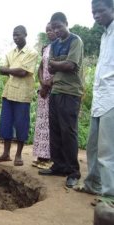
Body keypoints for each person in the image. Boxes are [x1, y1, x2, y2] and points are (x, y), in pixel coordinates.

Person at [38, 12, 84, 189]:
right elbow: (51, 65)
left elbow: (71, 66)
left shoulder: (75, 41)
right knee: (55, 130)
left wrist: (58, 64)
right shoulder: (55, 44)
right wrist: (59, 63)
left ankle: (73, 172)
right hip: (56, 91)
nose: (56, 30)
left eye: (59, 26)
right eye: (53, 27)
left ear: (66, 23)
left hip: (71, 92)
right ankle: (58, 166)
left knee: (68, 132)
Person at [75, 0, 114, 197]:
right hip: (101, 98)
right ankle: (92, 184)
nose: (96, 15)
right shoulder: (105, 35)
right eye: (93, 12)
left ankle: (109, 197)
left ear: (112, 9)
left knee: (107, 152)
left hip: (112, 99)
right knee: (93, 147)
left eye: (100, 11)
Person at [0, 25, 38, 166]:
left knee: (21, 125)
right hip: (8, 93)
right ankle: (6, 154)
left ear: (26, 34)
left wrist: (9, 70)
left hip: (23, 95)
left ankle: (18, 155)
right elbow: (1, 69)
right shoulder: (10, 52)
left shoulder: (32, 52)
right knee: (6, 124)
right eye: (14, 35)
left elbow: (23, 72)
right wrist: (12, 70)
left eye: (18, 34)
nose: (15, 37)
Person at [32, 23, 57, 169]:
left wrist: (48, 85)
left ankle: (51, 158)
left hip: (54, 89)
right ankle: (42, 157)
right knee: (42, 124)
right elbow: (41, 67)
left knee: (51, 125)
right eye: (47, 30)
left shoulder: (61, 47)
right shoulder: (46, 48)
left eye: (52, 29)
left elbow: (60, 71)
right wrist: (42, 83)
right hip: (44, 92)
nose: (49, 32)